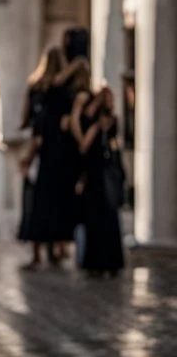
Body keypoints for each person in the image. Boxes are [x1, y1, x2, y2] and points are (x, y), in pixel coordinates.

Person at [70, 81, 125, 275]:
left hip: (102, 174)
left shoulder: (109, 122)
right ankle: (99, 263)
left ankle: (105, 263)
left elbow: (87, 145)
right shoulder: (94, 118)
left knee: (105, 219)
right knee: (96, 219)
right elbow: (84, 144)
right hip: (95, 174)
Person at [18, 47, 64, 242]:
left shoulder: (36, 86)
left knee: (35, 201)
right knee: (57, 201)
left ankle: (37, 250)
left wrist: (28, 156)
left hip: (40, 150)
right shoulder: (62, 89)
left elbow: (31, 122)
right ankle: (58, 247)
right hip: (58, 151)